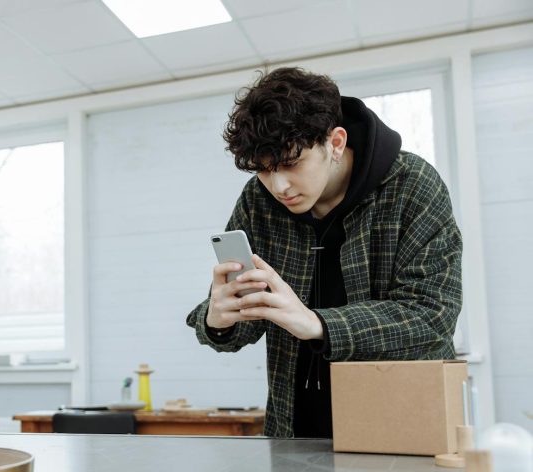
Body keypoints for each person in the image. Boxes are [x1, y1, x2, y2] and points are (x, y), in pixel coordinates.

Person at [186, 67, 463, 438]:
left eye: (290, 164)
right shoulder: (258, 200)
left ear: (334, 143)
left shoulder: (411, 185)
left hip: (400, 416)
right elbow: (247, 325)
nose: (279, 186)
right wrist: (219, 320)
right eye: (264, 171)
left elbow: (432, 316)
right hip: (294, 426)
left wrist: (317, 324)